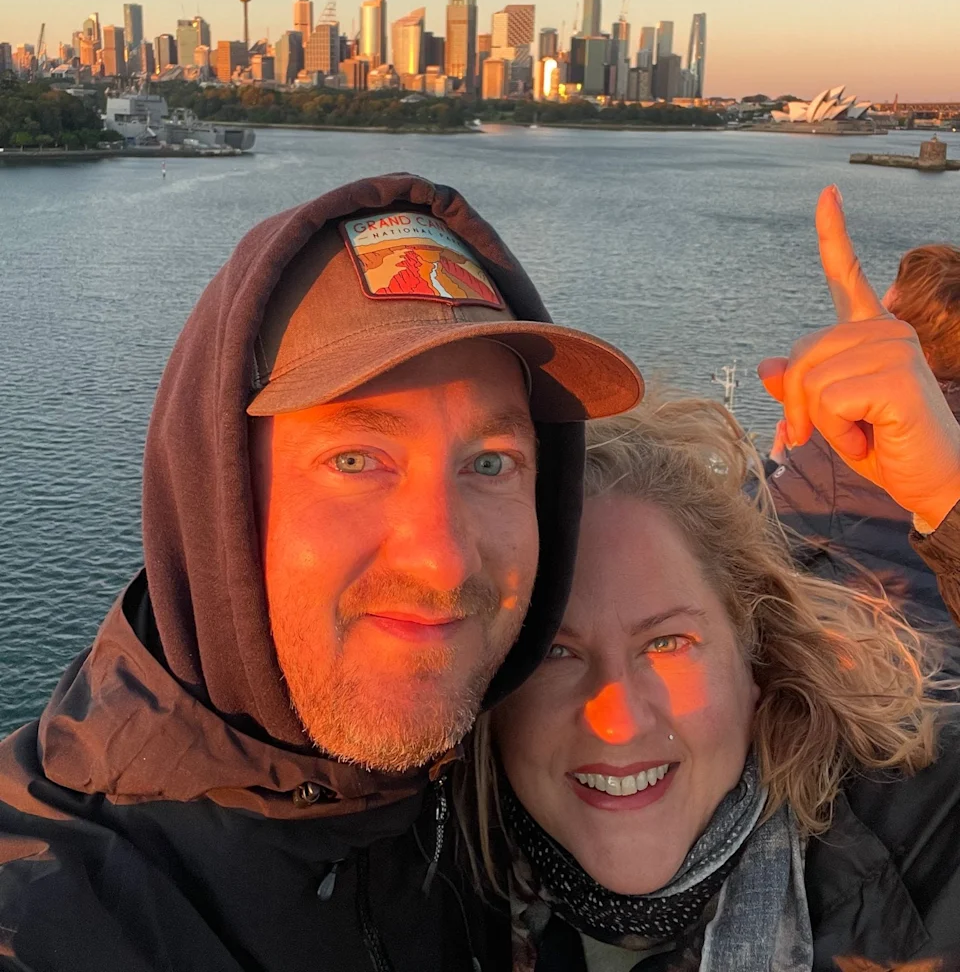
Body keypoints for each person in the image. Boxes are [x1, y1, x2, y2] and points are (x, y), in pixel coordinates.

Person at [0, 173, 643, 971]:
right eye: (355, 459)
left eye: (490, 463)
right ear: (216, 498)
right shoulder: (49, 909)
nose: (443, 560)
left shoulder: (502, 783)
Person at [466, 186, 960, 971]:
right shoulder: (407, 879)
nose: (618, 720)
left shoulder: (919, 846)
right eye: (555, 651)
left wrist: (950, 495)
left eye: (668, 642)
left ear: (756, 660)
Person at [769, 239, 960, 635]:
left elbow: (748, 542)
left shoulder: (852, 434)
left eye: (887, 313)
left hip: (882, 662)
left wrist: (772, 466)